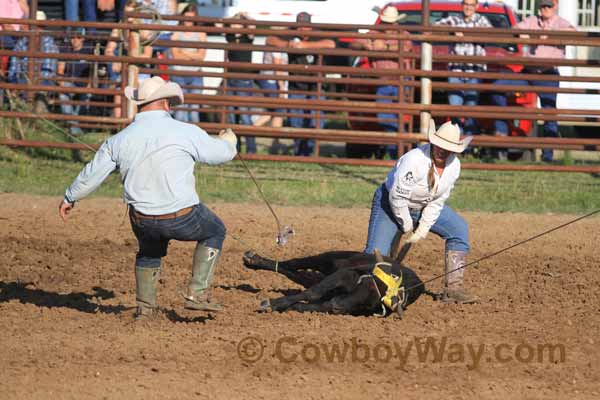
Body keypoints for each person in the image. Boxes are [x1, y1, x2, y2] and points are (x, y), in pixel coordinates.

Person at [58, 76, 238, 318]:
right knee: (215, 230)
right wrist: (229, 142)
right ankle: (198, 293)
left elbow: (92, 174)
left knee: (149, 252)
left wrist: (70, 197)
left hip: (143, 218)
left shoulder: (119, 139)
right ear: (164, 103)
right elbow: (220, 155)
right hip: (182, 216)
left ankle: (146, 308)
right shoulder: (185, 131)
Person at [364, 120, 477, 304]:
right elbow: (397, 198)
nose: (442, 151)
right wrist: (407, 225)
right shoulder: (414, 160)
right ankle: (362, 288)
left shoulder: (454, 166)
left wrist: (423, 228)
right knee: (374, 255)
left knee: (458, 230)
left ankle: (453, 289)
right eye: (439, 146)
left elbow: (438, 200)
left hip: (423, 206)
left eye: (447, 148)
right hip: (391, 205)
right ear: (433, 143)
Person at [491, 0, 575, 162]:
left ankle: (547, 156)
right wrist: (522, 34)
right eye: (543, 6)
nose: (545, 9)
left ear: (555, 6)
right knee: (497, 88)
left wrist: (551, 36)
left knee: (549, 112)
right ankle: (501, 132)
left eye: (549, 6)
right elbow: (515, 29)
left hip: (547, 74)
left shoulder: (561, 23)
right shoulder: (532, 21)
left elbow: (573, 33)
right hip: (528, 73)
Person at [267, 12, 335, 156]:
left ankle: (310, 152)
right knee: (296, 123)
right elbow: (270, 39)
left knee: (315, 122)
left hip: (315, 87)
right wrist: (287, 44)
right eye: (300, 26)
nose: (303, 29)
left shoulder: (317, 34)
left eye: (305, 26)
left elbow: (331, 43)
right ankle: (300, 153)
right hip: (296, 87)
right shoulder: (290, 33)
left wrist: (304, 45)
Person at [350, 6, 413, 159]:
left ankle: (398, 150)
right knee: (386, 117)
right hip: (385, 81)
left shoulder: (402, 35)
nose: (388, 26)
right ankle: (399, 151)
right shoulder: (374, 34)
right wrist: (364, 45)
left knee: (391, 116)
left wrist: (382, 47)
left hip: (399, 81)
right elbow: (353, 44)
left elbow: (406, 46)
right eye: (386, 22)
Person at [435, 0, 492, 137]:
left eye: (471, 5)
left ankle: (468, 144)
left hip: (475, 69)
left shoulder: (482, 21)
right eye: (466, 4)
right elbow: (436, 26)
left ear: (476, 6)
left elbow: (491, 33)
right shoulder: (454, 19)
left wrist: (468, 34)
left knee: (470, 108)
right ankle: (456, 141)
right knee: (455, 107)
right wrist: (452, 31)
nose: (468, 7)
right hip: (456, 69)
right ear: (462, 5)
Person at [224, 12, 257, 153]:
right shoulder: (229, 36)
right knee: (232, 116)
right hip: (232, 79)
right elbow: (221, 22)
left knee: (245, 116)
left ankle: (251, 149)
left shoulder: (247, 37)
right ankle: (235, 149)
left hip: (244, 80)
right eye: (234, 23)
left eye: (238, 23)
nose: (235, 25)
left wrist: (245, 16)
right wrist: (234, 18)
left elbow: (254, 24)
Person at [170, 3, 206, 123]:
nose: (188, 20)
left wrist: (183, 52)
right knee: (181, 112)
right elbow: (175, 56)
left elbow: (201, 56)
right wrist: (193, 54)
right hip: (179, 74)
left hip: (195, 74)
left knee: (194, 111)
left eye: (191, 17)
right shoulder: (177, 32)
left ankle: (194, 141)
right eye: (186, 16)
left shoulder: (201, 33)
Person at [57, 27, 94, 136]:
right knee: (63, 93)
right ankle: (75, 128)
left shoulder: (89, 51)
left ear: (83, 38)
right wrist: (61, 81)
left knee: (86, 96)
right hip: (69, 82)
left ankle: (74, 125)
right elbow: (60, 69)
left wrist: (89, 84)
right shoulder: (65, 49)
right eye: (73, 37)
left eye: (78, 37)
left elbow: (92, 71)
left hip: (83, 84)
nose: (75, 40)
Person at [8, 11, 58, 86]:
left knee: (44, 85)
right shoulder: (22, 42)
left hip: (43, 82)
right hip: (24, 80)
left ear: (43, 28)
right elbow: (14, 68)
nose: (37, 29)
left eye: (40, 26)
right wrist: (15, 80)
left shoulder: (49, 44)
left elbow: (47, 74)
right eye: (34, 26)